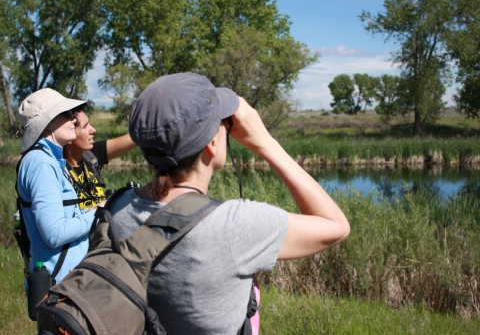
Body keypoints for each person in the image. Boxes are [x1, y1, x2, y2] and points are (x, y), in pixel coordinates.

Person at [108, 72, 350, 334]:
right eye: (223, 123)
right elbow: (335, 226)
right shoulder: (232, 226)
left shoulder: (116, 207)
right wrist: (266, 143)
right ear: (212, 143)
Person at [16, 88, 101, 283]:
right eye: (66, 114)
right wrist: (97, 214)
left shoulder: (46, 159)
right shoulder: (41, 163)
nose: (73, 119)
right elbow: (54, 233)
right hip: (60, 286)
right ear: (46, 124)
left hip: (65, 282)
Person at [62, 108, 137, 210]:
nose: (93, 130)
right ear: (69, 135)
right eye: (85, 126)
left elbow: (136, 137)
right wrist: (104, 205)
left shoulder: (91, 155)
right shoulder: (57, 169)